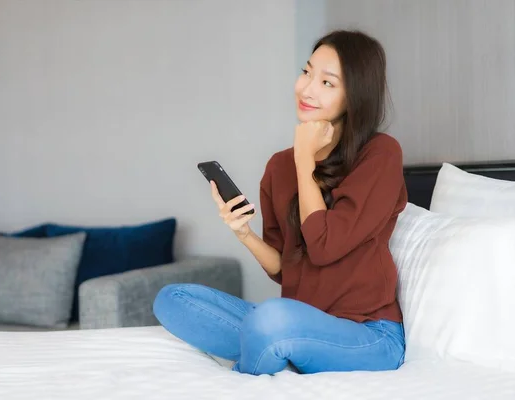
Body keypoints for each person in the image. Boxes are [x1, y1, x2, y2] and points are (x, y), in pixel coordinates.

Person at [152, 29, 408, 376]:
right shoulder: (279, 167)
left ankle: (262, 358)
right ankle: (280, 348)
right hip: (294, 320)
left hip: (367, 333)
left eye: (327, 83)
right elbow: (286, 270)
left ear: (355, 96)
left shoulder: (380, 155)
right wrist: (243, 233)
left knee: (271, 318)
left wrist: (305, 159)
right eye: (306, 72)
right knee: (172, 300)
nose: (306, 89)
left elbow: (324, 246)